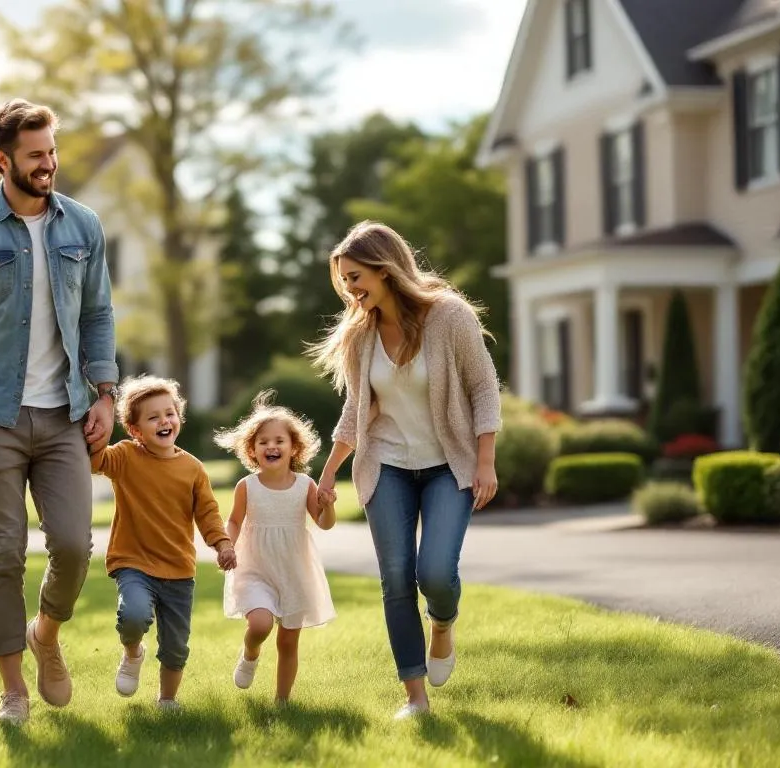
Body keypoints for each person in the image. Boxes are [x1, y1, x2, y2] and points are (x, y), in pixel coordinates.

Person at [0, 98, 119, 727]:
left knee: (74, 545)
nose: (48, 164)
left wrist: (106, 394)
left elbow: (98, 314)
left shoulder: (83, 226)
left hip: (65, 414)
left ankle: (46, 634)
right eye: (35, 155)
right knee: (4, 552)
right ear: (2, 160)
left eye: (52, 151)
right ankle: (13, 691)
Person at [310, 220, 501, 720]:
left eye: (355, 277)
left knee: (435, 573)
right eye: (344, 280)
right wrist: (328, 473)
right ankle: (415, 697)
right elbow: (357, 408)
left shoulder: (449, 316)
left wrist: (485, 461)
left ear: (385, 268)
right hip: (386, 466)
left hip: (447, 466)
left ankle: (443, 620)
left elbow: (484, 387)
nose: (350, 289)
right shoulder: (360, 334)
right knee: (396, 579)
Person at [89, 374, 236, 711]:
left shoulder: (193, 469)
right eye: (153, 417)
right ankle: (133, 653)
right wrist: (98, 426)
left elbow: (208, 513)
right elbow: (95, 461)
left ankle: (167, 701)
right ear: (135, 429)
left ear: (178, 417)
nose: (164, 421)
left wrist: (223, 544)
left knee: (175, 646)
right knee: (133, 616)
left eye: (169, 413)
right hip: (133, 562)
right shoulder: (125, 456)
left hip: (178, 569)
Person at [213, 390, 337, 705]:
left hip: (294, 571)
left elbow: (324, 523)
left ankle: (282, 701)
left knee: (288, 642)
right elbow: (234, 521)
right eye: (263, 442)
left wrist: (328, 506)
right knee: (260, 623)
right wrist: (226, 546)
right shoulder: (247, 486)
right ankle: (250, 652)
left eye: (279, 440)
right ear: (252, 450)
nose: (271, 446)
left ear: (294, 447)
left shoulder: (305, 485)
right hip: (256, 568)